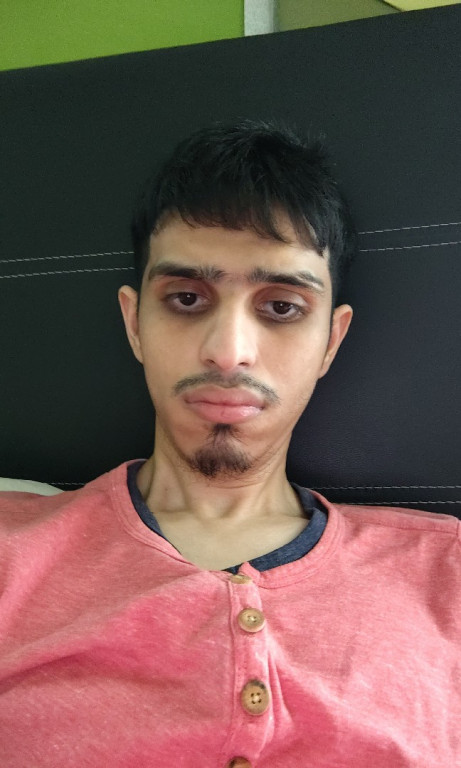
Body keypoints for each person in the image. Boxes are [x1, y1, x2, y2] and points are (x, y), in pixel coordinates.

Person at [0, 120, 459, 768]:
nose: (228, 352)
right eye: (187, 298)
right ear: (135, 323)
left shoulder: (445, 576)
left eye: (281, 307)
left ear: (330, 341)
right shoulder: (10, 552)